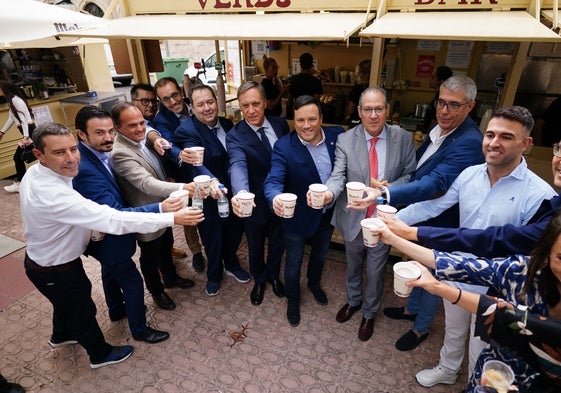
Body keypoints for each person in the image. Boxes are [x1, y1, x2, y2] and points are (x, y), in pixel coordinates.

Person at [387, 106, 556, 387]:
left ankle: (473, 384)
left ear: (526, 144)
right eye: (490, 134)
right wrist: (390, 219)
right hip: (455, 271)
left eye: (506, 137)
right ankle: (447, 369)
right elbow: (436, 205)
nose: (494, 143)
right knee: (453, 329)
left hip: (496, 287)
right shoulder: (469, 175)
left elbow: (521, 251)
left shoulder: (540, 195)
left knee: (483, 344)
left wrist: (405, 231)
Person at [20, 122, 203, 368]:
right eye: (59, 152)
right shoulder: (55, 195)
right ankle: (100, 354)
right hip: (57, 267)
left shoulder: (35, 172)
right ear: (39, 154)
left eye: (73, 149)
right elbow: (113, 218)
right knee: (83, 311)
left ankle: (61, 335)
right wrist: (170, 216)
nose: (72, 158)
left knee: (64, 303)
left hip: (44, 260)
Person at [374, 211, 561, 393]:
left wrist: (439, 288)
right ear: (545, 255)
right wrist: (393, 238)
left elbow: (503, 315)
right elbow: (460, 265)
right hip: (494, 376)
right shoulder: (522, 271)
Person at [323, 86, 416, 341]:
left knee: (376, 270)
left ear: (387, 111)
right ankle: (353, 301)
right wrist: (329, 194)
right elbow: (338, 176)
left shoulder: (403, 138)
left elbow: (410, 175)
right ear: (359, 112)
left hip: (383, 218)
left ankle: (369, 312)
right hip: (354, 215)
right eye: (367, 109)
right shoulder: (345, 139)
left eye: (378, 109)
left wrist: (389, 189)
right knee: (352, 263)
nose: (373, 115)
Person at [72, 105, 170, 344]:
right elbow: (114, 214)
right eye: (99, 133)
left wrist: (153, 136)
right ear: (82, 135)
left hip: (103, 237)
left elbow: (144, 129)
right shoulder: (85, 169)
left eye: (109, 131)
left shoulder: (97, 153)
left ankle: (116, 309)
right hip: (109, 235)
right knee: (133, 283)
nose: (108, 138)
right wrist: (161, 209)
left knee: (109, 273)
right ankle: (140, 330)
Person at [264, 95, 344, 326]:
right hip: (297, 216)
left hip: (327, 214)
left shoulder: (337, 136)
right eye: (300, 120)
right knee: (293, 262)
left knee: (320, 255)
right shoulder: (284, 146)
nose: (306, 125)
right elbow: (273, 181)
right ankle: (293, 299)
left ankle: (314, 284)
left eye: (312, 119)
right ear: (294, 120)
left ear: (321, 118)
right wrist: (275, 197)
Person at [110, 102, 197, 311]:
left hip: (163, 206)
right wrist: (183, 186)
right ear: (118, 128)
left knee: (166, 243)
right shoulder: (120, 152)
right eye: (132, 125)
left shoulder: (142, 137)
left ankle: (170, 277)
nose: (140, 128)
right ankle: (156, 291)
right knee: (150, 256)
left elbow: (150, 130)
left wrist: (154, 136)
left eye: (141, 123)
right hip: (146, 211)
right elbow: (146, 184)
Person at [174, 84, 249, 296]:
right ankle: (214, 274)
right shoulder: (186, 131)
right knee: (212, 236)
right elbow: (197, 162)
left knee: (234, 231)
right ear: (191, 107)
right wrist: (213, 180)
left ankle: (232, 264)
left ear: (217, 102)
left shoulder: (226, 123)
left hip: (233, 191)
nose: (207, 108)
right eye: (200, 104)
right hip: (206, 195)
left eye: (210, 102)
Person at [227, 81, 289, 305]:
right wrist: (241, 193)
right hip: (254, 202)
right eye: (245, 106)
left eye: (255, 104)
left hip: (281, 200)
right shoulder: (235, 135)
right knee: (254, 244)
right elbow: (237, 165)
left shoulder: (281, 124)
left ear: (265, 103)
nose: (251, 111)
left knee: (277, 242)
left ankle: (273, 276)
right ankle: (259, 279)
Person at [141, 80, 205, 267]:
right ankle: (196, 251)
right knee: (190, 214)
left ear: (181, 91)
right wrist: (180, 154)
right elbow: (167, 145)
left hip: (205, 169)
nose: (173, 102)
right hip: (182, 173)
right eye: (166, 99)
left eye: (175, 95)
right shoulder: (161, 120)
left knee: (209, 211)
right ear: (161, 101)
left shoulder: (195, 106)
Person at [0, 80, 35, 193]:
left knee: (19, 157)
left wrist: (26, 137)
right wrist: (2, 132)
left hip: (29, 131)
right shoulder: (12, 101)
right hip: (27, 132)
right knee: (31, 155)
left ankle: (21, 183)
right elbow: (12, 119)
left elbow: (24, 120)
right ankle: (22, 183)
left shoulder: (16, 100)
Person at [424, 66, 453, 132]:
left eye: (433, 78)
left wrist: (429, 137)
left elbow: (436, 120)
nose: (430, 80)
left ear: (441, 81)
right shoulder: (437, 95)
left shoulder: (442, 98)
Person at [344, 59, 371, 125]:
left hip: (357, 122)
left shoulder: (358, 89)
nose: (359, 74)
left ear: (367, 74)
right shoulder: (378, 88)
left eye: (360, 72)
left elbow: (350, 109)